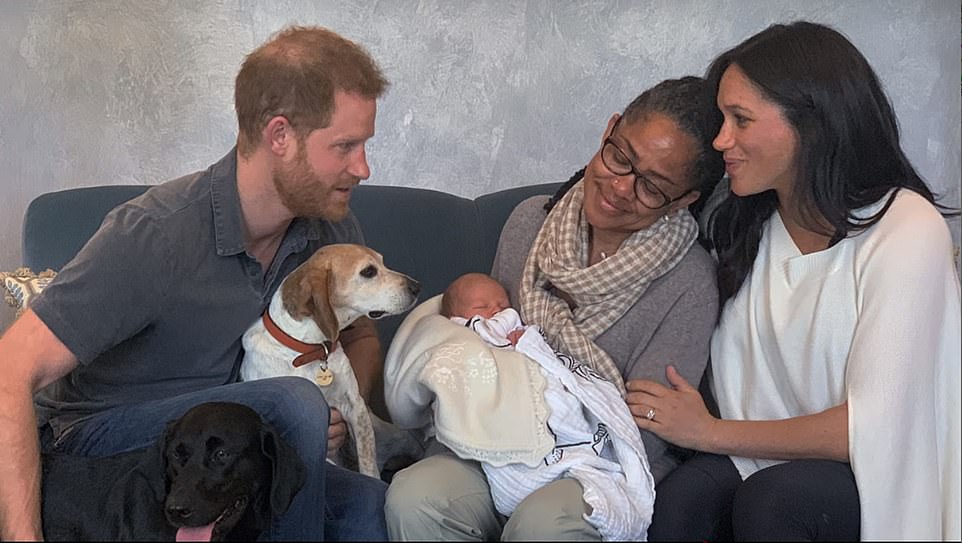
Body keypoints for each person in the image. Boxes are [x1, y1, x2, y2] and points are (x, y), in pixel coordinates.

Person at [0, 26, 391, 541]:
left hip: (228, 449)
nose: (362, 167)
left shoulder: (330, 228)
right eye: (345, 146)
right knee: (294, 403)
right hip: (106, 441)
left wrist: (338, 403)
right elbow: (10, 369)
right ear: (279, 136)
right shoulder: (154, 235)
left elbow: (360, 337)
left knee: (368, 502)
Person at [631, 21, 961, 541]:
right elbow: (630, 220)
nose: (721, 141)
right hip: (753, 455)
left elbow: (870, 428)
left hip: (878, 476)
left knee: (777, 502)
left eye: (740, 120)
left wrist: (709, 431)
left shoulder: (907, 230)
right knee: (680, 500)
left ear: (813, 124)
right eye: (722, 119)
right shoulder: (740, 219)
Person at [386, 76, 726, 541]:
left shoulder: (689, 282)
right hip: (501, 432)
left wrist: (550, 448)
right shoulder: (531, 221)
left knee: (543, 525)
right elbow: (491, 344)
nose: (621, 187)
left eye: (652, 186)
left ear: (684, 200)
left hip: (599, 459)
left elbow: (644, 429)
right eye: (620, 157)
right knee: (416, 495)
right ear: (609, 130)